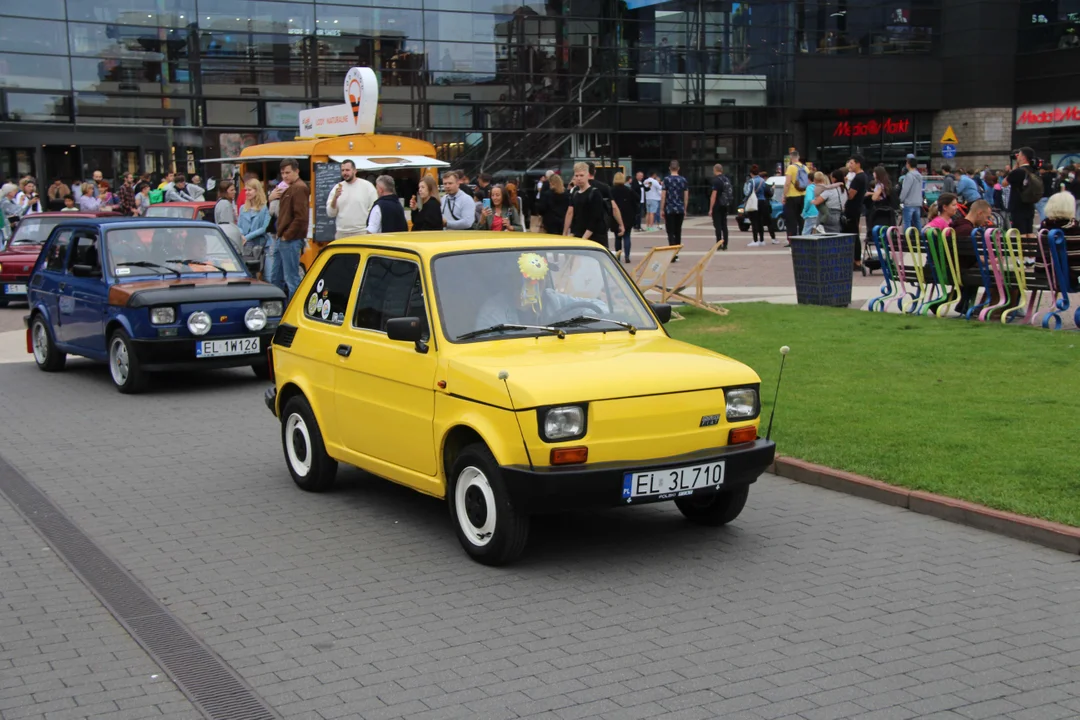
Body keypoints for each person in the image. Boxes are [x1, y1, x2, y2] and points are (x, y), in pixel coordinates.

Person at [268, 158, 309, 299]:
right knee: (275, 278)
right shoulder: (290, 187)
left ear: (296, 171)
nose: (285, 176)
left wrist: (287, 235)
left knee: (291, 280)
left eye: (288, 172)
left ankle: (293, 314)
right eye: (282, 173)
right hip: (283, 237)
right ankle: (278, 310)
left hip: (290, 239)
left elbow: (301, 218)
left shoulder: (299, 188)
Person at [950, 199, 994, 315]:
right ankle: (991, 307)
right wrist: (992, 262)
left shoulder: (956, 226)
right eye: (987, 217)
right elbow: (972, 259)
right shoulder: (968, 231)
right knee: (999, 274)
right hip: (964, 271)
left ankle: (966, 304)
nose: (987, 221)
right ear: (979, 213)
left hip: (953, 268)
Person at [327, 159, 377, 238]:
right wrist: (335, 198)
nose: (345, 173)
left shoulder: (367, 186)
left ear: (355, 171)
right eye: (342, 170)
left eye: (347, 170)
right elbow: (330, 213)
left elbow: (374, 209)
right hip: (341, 233)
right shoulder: (337, 188)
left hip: (361, 232)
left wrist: (370, 230)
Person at [564, 161, 606, 243]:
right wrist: (568, 233)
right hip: (579, 236)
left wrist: (583, 239)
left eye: (581, 175)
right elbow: (574, 216)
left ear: (587, 175)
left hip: (594, 238)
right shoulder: (575, 193)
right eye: (576, 176)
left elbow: (595, 219)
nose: (579, 178)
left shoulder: (595, 193)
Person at [1003, 147, 1038, 234]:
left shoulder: (1018, 172)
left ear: (1023, 157)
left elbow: (1004, 183)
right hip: (1030, 204)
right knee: (1029, 231)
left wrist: (1014, 169)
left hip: (1018, 205)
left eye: (1019, 155)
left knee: (1020, 232)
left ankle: (1022, 247)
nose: (1017, 157)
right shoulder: (1034, 170)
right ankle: (1030, 247)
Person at [238, 178, 271, 271]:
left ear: (257, 191)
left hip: (262, 245)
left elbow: (264, 228)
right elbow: (239, 225)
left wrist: (247, 237)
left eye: (250, 190)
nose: (247, 192)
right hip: (246, 246)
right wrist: (241, 235)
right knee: (250, 273)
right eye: (246, 190)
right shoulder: (242, 208)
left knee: (268, 275)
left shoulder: (264, 208)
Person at [845, 154, 870, 269]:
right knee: (853, 233)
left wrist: (845, 188)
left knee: (853, 234)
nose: (849, 165)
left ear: (858, 164)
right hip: (856, 208)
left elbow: (850, 195)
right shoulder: (863, 176)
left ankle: (856, 261)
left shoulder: (858, 178)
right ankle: (855, 259)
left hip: (853, 209)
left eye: (852, 163)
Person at [660, 160, 688, 257]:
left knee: (670, 231)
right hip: (679, 208)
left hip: (669, 208)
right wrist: (685, 208)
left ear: (669, 168)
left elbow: (663, 195)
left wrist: (662, 208)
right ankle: (677, 251)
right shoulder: (683, 180)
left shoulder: (666, 179)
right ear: (678, 168)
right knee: (678, 230)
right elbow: (686, 195)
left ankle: (672, 251)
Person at [782, 149, 807, 246]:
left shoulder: (791, 168)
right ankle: (802, 238)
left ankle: (792, 240)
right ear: (799, 157)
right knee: (801, 219)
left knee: (791, 220)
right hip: (803, 195)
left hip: (792, 196)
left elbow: (787, 183)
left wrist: (784, 195)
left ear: (791, 158)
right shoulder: (805, 168)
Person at [611, 172, 637, 262]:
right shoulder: (628, 190)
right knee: (627, 236)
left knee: (617, 237)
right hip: (628, 216)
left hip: (615, 216)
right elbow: (636, 200)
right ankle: (627, 256)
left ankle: (618, 256)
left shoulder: (611, 190)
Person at [708, 163, 731, 250]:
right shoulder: (726, 179)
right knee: (724, 225)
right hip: (725, 204)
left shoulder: (716, 181)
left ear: (715, 170)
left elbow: (713, 196)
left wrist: (710, 208)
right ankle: (725, 244)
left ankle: (718, 243)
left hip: (717, 205)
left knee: (717, 225)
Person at [898, 157, 923, 231]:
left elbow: (905, 189)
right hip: (917, 202)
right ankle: (920, 238)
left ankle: (907, 239)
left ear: (908, 164)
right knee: (917, 222)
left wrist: (900, 199)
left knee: (907, 223)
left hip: (909, 202)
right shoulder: (919, 176)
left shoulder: (909, 176)